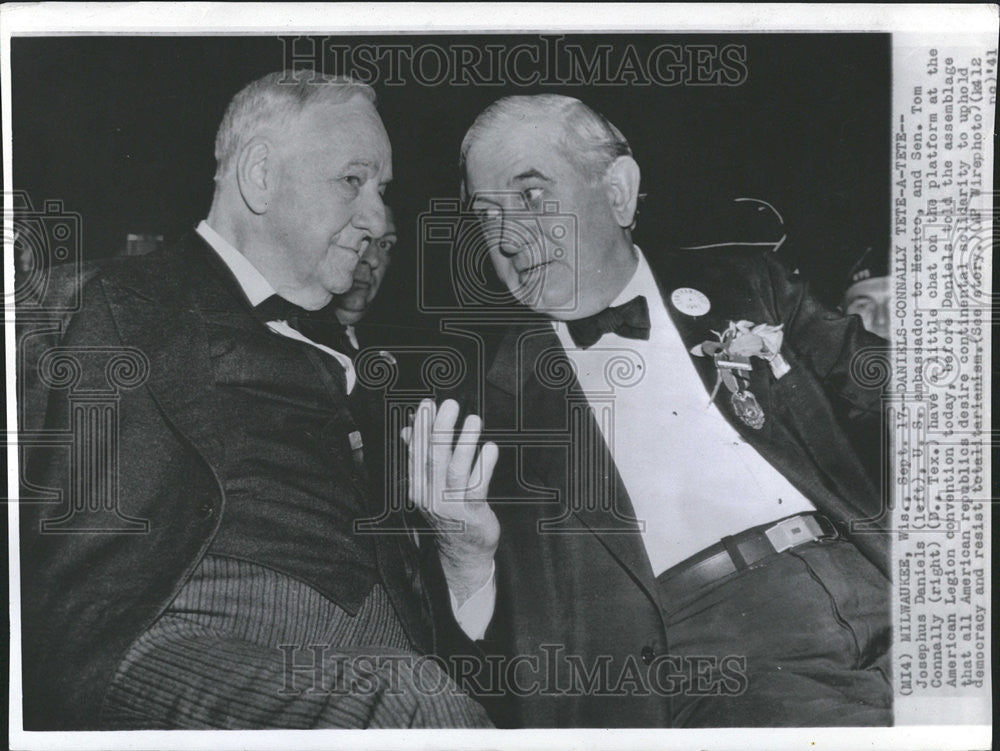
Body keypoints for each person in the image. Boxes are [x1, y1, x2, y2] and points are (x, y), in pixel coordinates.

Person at [18, 70, 491, 730]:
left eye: (382, 191)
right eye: (353, 181)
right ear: (260, 174)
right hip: (188, 632)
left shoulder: (384, 374)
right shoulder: (98, 299)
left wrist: (464, 558)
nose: (379, 217)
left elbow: (472, 661)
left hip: (386, 656)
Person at [404, 94, 892, 728]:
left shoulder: (747, 285)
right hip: (723, 659)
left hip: (880, 580)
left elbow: (905, 389)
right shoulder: (475, 408)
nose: (508, 239)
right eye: (486, 214)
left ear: (619, 192)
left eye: (530, 197)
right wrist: (463, 557)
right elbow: (484, 666)